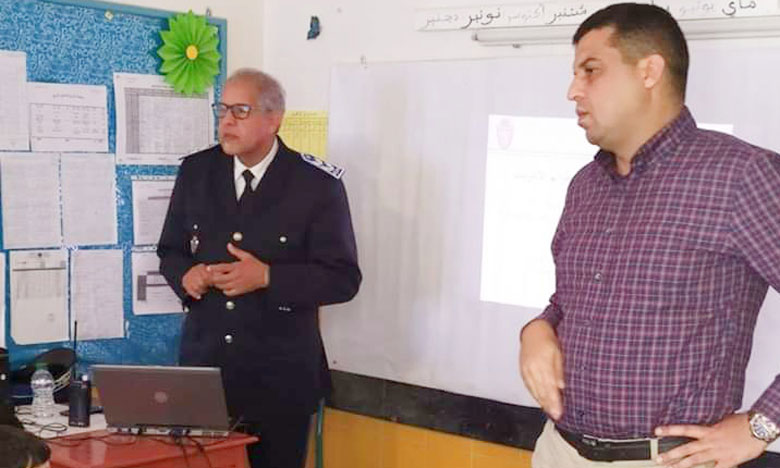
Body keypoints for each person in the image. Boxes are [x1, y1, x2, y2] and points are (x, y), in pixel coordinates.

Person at [519, 4, 780, 468]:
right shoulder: (586, 185)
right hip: (559, 450)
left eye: (590, 71)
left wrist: (762, 424)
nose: (572, 91)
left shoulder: (741, 176)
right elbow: (569, 301)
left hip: (666, 461)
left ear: (649, 71)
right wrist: (537, 329)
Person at [157, 68, 361, 468]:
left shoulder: (315, 184)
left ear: (273, 119)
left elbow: (343, 278)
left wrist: (268, 277)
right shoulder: (197, 171)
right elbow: (170, 250)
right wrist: (186, 276)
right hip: (206, 373)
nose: (227, 122)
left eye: (241, 111)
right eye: (222, 110)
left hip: (280, 380)